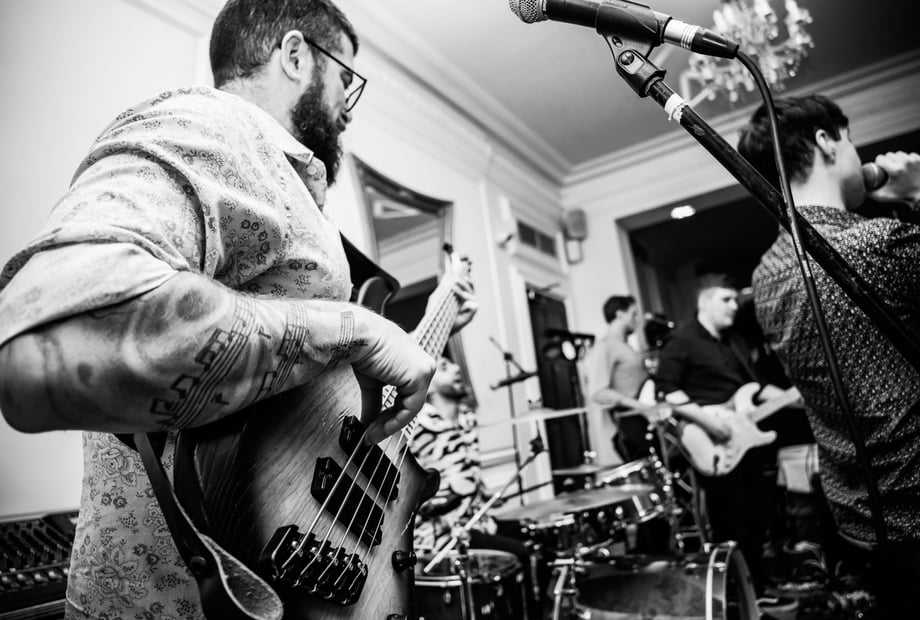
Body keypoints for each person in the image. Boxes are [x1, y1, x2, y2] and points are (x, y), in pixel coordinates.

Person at [0, 1, 477, 618]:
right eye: (345, 79)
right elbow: (47, 346)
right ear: (296, 54)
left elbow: (313, 398)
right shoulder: (211, 127)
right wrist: (356, 330)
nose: (348, 107)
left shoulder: (286, 186)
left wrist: (436, 319)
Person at [740, 93, 920, 615]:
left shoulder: (765, 276)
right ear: (826, 140)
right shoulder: (879, 244)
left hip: (858, 522)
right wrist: (915, 193)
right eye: (851, 139)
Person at [654, 274, 790, 607]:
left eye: (735, 300)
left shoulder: (735, 341)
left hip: (745, 440)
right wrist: (710, 424)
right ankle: (732, 597)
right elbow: (667, 391)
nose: (734, 306)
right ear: (704, 302)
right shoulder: (682, 340)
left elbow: (754, 387)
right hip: (712, 442)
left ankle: (757, 589)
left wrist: (793, 396)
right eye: (726, 300)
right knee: (731, 521)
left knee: (759, 515)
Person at [410, 356, 540, 619]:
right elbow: (409, 491)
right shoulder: (416, 426)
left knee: (535, 535)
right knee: (520, 554)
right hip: (444, 534)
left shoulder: (467, 419)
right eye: (444, 367)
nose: (456, 368)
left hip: (478, 521)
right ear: (429, 384)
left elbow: (468, 472)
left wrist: (485, 492)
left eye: (453, 364)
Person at [585, 295, 651, 463]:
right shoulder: (605, 346)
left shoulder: (625, 346)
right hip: (629, 423)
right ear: (619, 314)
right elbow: (597, 392)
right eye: (633, 314)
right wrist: (636, 405)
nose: (637, 319)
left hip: (644, 420)